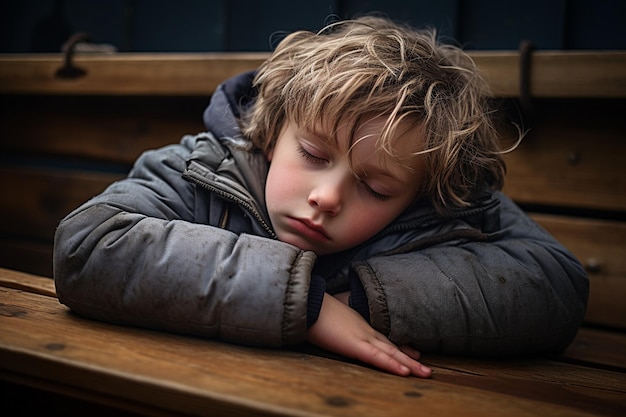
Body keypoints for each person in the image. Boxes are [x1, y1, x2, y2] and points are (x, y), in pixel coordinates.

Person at [53, 15, 588, 378]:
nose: (327, 197)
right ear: (274, 127)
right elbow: (89, 243)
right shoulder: (205, 168)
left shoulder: (447, 200)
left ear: (419, 195)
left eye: (376, 188)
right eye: (312, 154)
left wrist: (360, 301)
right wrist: (307, 305)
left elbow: (555, 285)